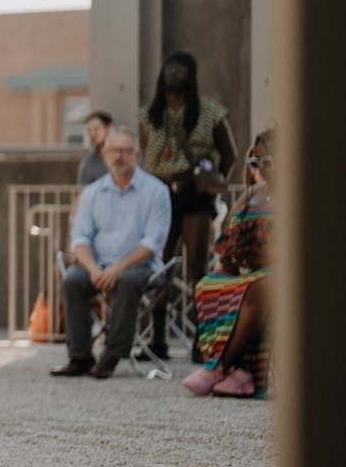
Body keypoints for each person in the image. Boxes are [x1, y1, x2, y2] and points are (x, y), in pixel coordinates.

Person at [50, 126, 171, 380]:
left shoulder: (156, 191)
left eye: (125, 151)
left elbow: (152, 243)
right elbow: (80, 238)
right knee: (73, 280)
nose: (118, 156)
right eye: (114, 151)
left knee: (127, 280)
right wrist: (94, 269)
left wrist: (117, 269)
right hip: (99, 265)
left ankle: (112, 355)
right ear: (105, 156)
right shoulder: (92, 193)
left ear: (137, 156)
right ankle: (80, 357)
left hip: (142, 266)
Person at [138, 50, 238, 358]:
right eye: (169, 67)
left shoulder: (210, 111)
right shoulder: (149, 114)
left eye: (180, 68)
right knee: (160, 263)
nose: (174, 72)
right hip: (160, 192)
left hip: (194, 194)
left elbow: (230, 154)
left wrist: (211, 184)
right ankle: (158, 339)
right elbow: (146, 155)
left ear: (191, 74)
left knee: (196, 265)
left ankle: (201, 338)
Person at [182, 130, 274, 398]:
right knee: (210, 282)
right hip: (255, 271)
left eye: (266, 161)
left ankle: (221, 366)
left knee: (263, 285)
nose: (260, 169)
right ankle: (240, 373)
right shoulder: (251, 196)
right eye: (254, 163)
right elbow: (227, 242)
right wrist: (234, 254)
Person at [76, 110, 114, 186]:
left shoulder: (126, 155)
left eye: (96, 129)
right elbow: (83, 190)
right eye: (89, 130)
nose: (92, 134)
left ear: (109, 128)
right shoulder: (88, 162)